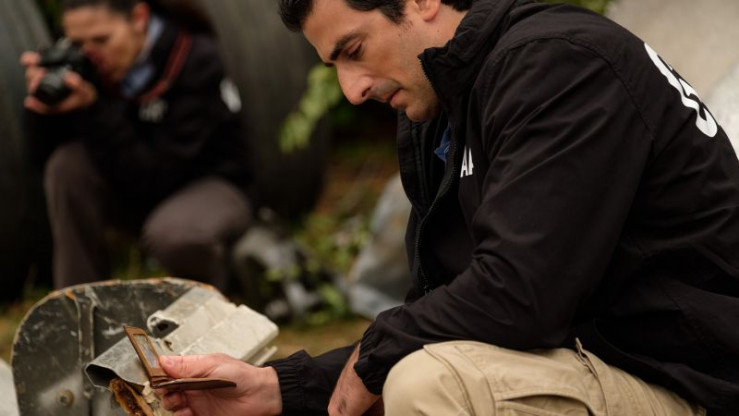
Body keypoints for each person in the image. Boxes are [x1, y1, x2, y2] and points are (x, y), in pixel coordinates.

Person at [158, 0, 739, 415]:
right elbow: (441, 311)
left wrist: (378, 356)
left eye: (354, 51)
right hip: (604, 363)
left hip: (694, 385)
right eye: (334, 67)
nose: (352, 90)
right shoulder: (444, 111)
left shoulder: (558, 64)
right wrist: (284, 389)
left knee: (429, 384)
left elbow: (520, 294)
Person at [21, 0, 253, 290]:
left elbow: (158, 176)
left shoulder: (194, 58)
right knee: (66, 166)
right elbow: (39, 159)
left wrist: (93, 109)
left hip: (204, 184)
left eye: (101, 40)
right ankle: (78, 302)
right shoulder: (84, 62)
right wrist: (43, 106)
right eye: (77, 43)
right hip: (133, 177)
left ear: (140, 18)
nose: (91, 55)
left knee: (174, 235)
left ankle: (211, 302)